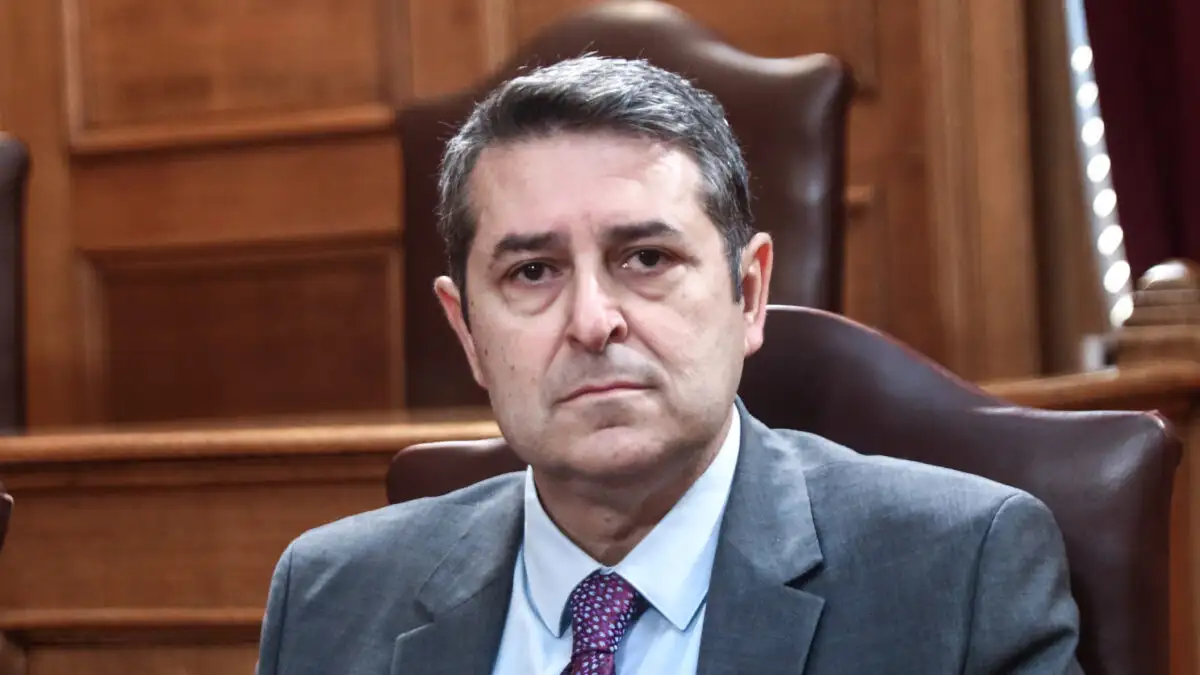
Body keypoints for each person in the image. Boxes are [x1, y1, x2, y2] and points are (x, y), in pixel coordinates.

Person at [255, 55, 1083, 674]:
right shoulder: (331, 597)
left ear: (748, 294)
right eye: (532, 272)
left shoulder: (956, 574)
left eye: (646, 258)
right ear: (467, 330)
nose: (592, 321)